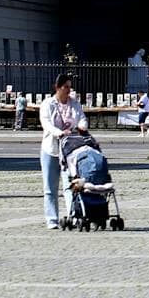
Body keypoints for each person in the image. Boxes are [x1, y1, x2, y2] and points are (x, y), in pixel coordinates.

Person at [38, 73, 88, 229]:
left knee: (70, 185)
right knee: (50, 187)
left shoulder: (75, 103)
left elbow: (82, 118)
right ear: (57, 88)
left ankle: (73, 216)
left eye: (69, 86)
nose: (68, 90)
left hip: (69, 150)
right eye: (66, 87)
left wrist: (82, 127)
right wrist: (58, 132)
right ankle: (52, 219)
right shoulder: (48, 104)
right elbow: (45, 122)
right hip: (51, 149)